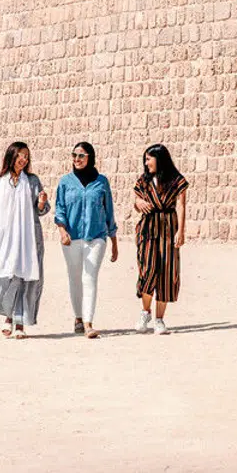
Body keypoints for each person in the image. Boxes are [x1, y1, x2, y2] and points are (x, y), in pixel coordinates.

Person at [0, 141, 50, 339]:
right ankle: (7, 315)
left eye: (26, 156)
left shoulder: (32, 181)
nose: (23, 160)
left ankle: (18, 321)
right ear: (12, 156)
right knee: (5, 277)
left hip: (27, 239)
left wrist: (42, 202)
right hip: (4, 238)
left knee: (22, 278)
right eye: (20, 156)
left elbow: (42, 209)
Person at [53, 142, 118, 339]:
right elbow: (60, 209)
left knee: (89, 278)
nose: (77, 159)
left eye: (81, 155)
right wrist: (62, 232)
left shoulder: (101, 182)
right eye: (74, 155)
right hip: (71, 238)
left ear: (90, 157)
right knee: (74, 278)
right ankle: (78, 317)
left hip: (96, 236)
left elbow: (109, 212)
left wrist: (114, 242)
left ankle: (89, 322)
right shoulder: (65, 182)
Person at [132, 143, 189, 335]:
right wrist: (138, 203)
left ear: (159, 159)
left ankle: (159, 319)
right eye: (145, 159)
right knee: (147, 271)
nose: (146, 163)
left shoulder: (177, 180)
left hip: (168, 229)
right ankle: (145, 312)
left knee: (166, 272)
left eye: (149, 159)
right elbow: (136, 201)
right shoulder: (143, 180)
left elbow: (181, 205)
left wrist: (180, 231)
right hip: (148, 230)